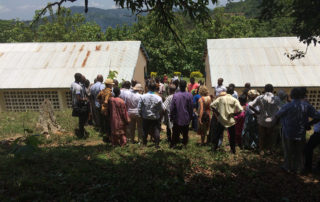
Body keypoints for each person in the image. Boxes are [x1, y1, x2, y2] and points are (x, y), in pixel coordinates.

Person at [275, 88, 320, 173]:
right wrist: (309, 124)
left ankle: (288, 167)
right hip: (300, 132)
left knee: (288, 150)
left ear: (291, 95)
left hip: (288, 132)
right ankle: (298, 168)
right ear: (301, 95)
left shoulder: (287, 105)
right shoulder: (306, 105)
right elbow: (318, 116)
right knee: (299, 152)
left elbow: (277, 115)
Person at [249, 84, 281, 154]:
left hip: (262, 120)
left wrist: (257, 112)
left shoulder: (260, 97)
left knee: (261, 136)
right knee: (270, 136)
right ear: (272, 90)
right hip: (272, 121)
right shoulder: (276, 98)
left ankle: (261, 150)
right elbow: (280, 110)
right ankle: (269, 150)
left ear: (265, 89)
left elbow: (250, 105)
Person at [211, 87, 243, 154]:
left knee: (218, 134)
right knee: (232, 136)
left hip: (221, 119)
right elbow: (241, 109)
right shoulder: (234, 99)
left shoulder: (221, 98)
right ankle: (233, 150)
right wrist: (234, 114)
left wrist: (217, 113)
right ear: (233, 92)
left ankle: (214, 149)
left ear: (227, 91)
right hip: (230, 120)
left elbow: (212, 105)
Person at [138, 81, 164, 148]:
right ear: (155, 88)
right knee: (156, 130)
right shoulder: (158, 98)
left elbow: (139, 108)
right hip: (155, 117)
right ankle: (157, 145)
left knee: (145, 130)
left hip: (145, 116)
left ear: (148, 87)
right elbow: (161, 109)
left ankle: (144, 144)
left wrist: (141, 114)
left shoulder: (143, 96)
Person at [170, 80, 193, 147]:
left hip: (177, 118)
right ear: (186, 86)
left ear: (179, 86)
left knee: (175, 132)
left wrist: (171, 116)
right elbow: (191, 107)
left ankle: (173, 144)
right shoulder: (189, 95)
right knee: (185, 132)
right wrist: (191, 116)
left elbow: (172, 108)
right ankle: (184, 144)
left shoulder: (175, 95)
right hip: (186, 117)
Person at [71, 73, 89, 138]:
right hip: (79, 105)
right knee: (82, 120)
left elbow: (72, 94)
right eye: (81, 77)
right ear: (79, 78)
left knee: (81, 119)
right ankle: (81, 134)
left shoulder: (73, 84)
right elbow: (78, 98)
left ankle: (81, 132)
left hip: (74, 103)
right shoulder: (78, 87)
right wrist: (84, 99)